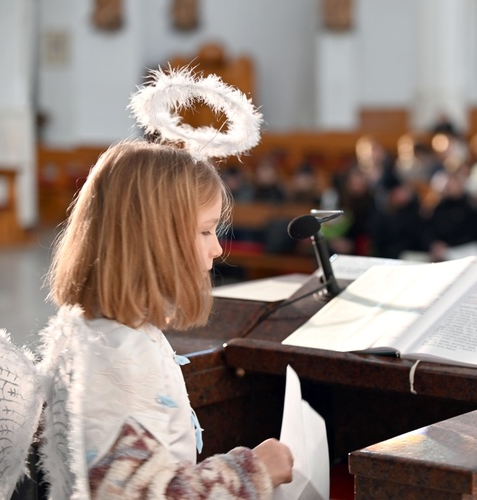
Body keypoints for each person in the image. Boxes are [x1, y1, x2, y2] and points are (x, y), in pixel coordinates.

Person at [45, 140, 294, 497]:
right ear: (155, 238)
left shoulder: (114, 332)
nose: (217, 248)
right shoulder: (116, 353)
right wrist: (251, 470)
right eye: (205, 231)